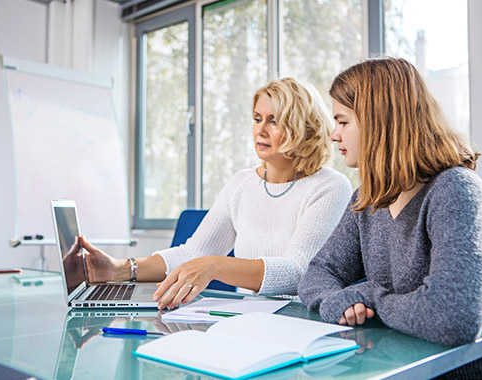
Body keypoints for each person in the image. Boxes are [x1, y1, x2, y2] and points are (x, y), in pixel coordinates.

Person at [298, 57, 482, 377]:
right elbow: (318, 273)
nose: (333, 135)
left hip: (471, 366)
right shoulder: (368, 200)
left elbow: (452, 319)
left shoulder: (456, 190)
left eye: (342, 122)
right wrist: (335, 301)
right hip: (403, 358)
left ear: (378, 121)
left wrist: (371, 297)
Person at [82, 77, 352, 310]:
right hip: (247, 320)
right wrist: (121, 268)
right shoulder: (241, 183)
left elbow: (299, 272)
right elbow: (192, 255)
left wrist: (215, 266)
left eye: (274, 121)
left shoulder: (330, 186)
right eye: (257, 119)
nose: (260, 129)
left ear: (303, 128)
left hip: (301, 322)